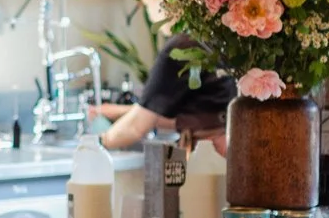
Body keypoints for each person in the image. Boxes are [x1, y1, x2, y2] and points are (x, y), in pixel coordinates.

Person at [96, 34, 233, 152]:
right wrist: (121, 111)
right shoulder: (224, 40)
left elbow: (136, 127)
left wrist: (96, 144)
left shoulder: (182, 46)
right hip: (230, 154)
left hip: (204, 157)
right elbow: (192, 118)